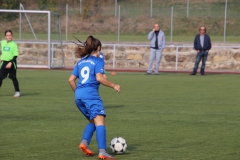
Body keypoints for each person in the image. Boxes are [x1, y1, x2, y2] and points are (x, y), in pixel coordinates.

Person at [68, 35, 120, 160]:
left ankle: (84, 143)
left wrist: (79, 93)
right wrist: (114, 85)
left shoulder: (81, 62)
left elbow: (70, 80)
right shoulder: (98, 60)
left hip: (78, 96)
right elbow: (99, 78)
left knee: (93, 121)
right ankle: (103, 152)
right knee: (100, 122)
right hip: (91, 96)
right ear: (99, 48)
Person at [0, 30, 20, 97]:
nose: (9, 36)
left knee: (13, 78)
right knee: (0, 77)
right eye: (8, 35)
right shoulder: (2, 43)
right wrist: (1, 58)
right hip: (4, 63)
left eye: (10, 35)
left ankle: (17, 92)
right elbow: (2, 52)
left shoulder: (14, 44)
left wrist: (11, 62)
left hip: (12, 63)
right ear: (5, 36)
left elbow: (15, 55)